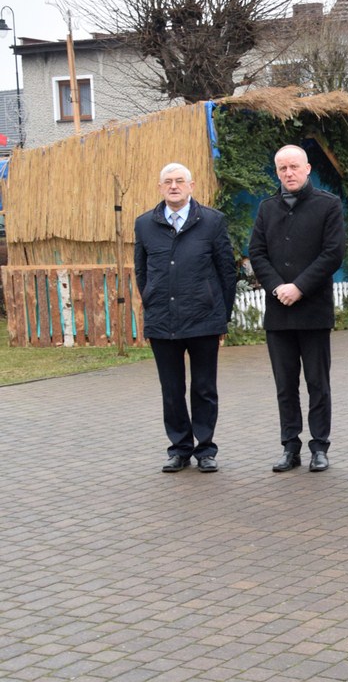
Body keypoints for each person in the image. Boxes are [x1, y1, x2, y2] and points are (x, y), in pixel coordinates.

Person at [248, 145, 346, 473]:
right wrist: (278, 287)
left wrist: (299, 287)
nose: (288, 173)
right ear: (277, 172)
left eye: (294, 167)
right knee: (285, 385)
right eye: (282, 168)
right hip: (279, 313)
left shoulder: (328, 205)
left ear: (307, 169)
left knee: (318, 383)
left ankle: (320, 446)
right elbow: (257, 253)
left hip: (314, 310)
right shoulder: (266, 209)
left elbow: (333, 253)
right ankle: (290, 447)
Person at [134, 162, 237, 473]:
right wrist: (152, 300)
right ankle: (179, 448)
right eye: (168, 181)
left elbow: (226, 272)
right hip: (162, 321)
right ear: (160, 187)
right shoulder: (144, 225)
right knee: (171, 388)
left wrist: (222, 318)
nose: (174, 186)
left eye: (180, 181)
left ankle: (205, 449)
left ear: (191, 186)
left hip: (203, 319)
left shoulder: (212, 222)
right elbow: (142, 271)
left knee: (204, 387)